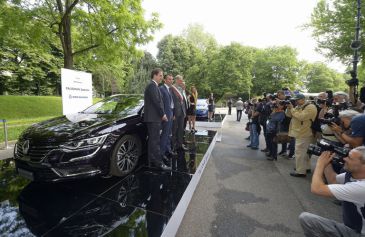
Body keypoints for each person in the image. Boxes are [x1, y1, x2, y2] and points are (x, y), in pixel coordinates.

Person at [299, 146, 365, 237]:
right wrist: (327, 162)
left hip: (359, 233)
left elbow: (316, 189)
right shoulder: (353, 174)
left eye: (349, 158)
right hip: (352, 228)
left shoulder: (362, 187)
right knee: (306, 219)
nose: (344, 158)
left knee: (307, 219)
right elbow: (333, 180)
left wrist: (320, 165)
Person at [143, 68, 170, 171]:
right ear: (154, 75)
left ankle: (151, 161)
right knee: (155, 141)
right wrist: (163, 114)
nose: (162, 78)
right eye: (160, 75)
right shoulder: (152, 86)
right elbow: (157, 102)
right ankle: (159, 163)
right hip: (154, 119)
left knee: (152, 141)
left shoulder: (154, 86)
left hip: (153, 118)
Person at [286, 93, 317, 177]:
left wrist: (292, 109)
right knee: (305, 152)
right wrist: (289, 108)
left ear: (303, 99)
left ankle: (300, 171)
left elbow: (301, 117)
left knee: (299, 152)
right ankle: (306, 167)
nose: (295, 101)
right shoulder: (298, 106)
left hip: (304, 132)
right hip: (300, 132)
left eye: (297, 100)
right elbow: (289, 115)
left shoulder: (310, 107)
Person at [159, 74, 176, 165]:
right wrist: (163, 114)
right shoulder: (161, 89)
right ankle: (161, 155)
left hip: (170, 114)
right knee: (164, 135)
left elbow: (171, 103)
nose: (171, 81)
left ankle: (168, 150)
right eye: (169, 79)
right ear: (165, 80)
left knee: (169, 134)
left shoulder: (169, 90)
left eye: (172, 79)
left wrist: (173, 113)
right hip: (165, 116)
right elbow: (160, 103)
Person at [171, 75, 188, 152]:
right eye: (181, 80)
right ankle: (173, 146)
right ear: (177, 80)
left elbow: (183, 101)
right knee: (174, 129)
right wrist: (173, 113)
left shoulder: (181, 89)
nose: (182, 81)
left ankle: (180, 144)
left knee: (181, 129)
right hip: (175, 112)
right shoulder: (172, 88)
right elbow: (171, 102)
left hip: (182, 112)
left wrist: (184, 111)